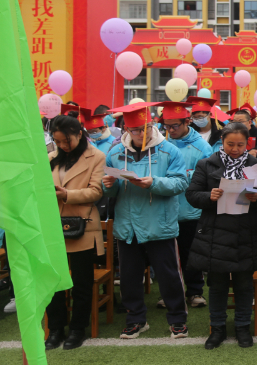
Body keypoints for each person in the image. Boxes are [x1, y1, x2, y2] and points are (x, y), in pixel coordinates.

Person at [100, 105, 190, 340]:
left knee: (169, 276)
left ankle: (178, 320)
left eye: (144, 128)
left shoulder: (169, 150)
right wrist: (108, 186)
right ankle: (135, 320)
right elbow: (110, 191)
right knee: (129, 277)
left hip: (159, 224)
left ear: (152, 125)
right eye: (135, 130)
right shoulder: (115, 152)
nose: (140, 134)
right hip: (128, 225)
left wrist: (154, 183)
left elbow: (181, 183)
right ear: (125, 129)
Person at [185, 123, 257, 349]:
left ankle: (243, 326)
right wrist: (209, 196)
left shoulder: (256, 164)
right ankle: (218, 328)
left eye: (240, 145)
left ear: (248, 143)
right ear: (222, 141)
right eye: (230, 144)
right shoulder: (206, 164)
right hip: (215, 232)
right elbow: (192, 195)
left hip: (246, 232)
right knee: (217, 284)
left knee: (244, 284)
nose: (235, 149)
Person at [44, 115, 106, 351]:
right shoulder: (51, 158)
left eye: (66, 141)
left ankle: (78, 329)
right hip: (53, 226)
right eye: (58, 141)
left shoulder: (96, 156)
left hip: (82, 225)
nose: (62, 146)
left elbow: (96, 191)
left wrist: (66, 194)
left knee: (81, 282)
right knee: (54, 281)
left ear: (79, 134)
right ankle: (56, 329)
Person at [159, 102, 213, 310]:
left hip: (191, 210)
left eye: (175, 126)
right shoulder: (161, 144)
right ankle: (171, 292)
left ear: (187, 122)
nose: (171, 130)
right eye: (167, 126)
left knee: (192, 252)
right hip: (166, 209)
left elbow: (209, 179)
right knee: (168, 256)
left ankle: (195, 291)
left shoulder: (202, 147)